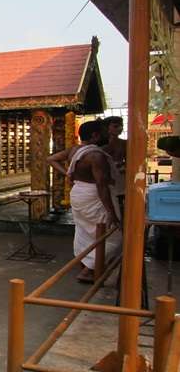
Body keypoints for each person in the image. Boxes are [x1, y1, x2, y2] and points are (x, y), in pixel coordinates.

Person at [47, 120, 122, 283]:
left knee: (84, 232)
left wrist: (68, 174)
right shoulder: (96, 156)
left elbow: (51, 159)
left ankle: (88, 265)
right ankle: (88, 271)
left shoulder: (75, 150)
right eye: (104, 133)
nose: (108, 136)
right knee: (113, 235)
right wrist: (111, 212)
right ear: (95, 136)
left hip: (79, 193)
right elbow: (102, 186)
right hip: (93, 195)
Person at [101, 116, 126, 214]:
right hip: (104, 175)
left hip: (120, 175)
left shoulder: (124, 143)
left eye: (121, 126)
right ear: (107, 128)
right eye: (116, 126)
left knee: (120, 201)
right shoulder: (100, 143)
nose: (120, 129)